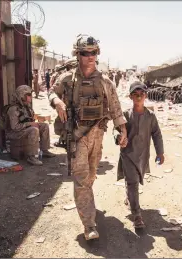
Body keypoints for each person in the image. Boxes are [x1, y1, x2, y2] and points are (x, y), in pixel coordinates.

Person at [48, 34, 128, 240]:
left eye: (93, 52)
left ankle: (88, 205)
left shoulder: (105, 82)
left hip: (98, 134)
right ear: (78, 55)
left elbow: (116, 107)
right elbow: (51, 92)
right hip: (77, 135)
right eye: (85, 53)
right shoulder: (67, 80)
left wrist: (122, 130)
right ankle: (89, 224)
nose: (90, 56)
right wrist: (57, 102)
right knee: (82, 179)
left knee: (91, 175)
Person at [116, 81, 164, 229]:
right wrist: (118, 137)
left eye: (141, 94)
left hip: (142, 156)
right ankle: (137, 215)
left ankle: (130, 198)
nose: (138, 97)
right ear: (130, 96)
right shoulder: (125, 115)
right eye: (135, 95)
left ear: (145, 96)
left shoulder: (150, 116)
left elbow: (157, 135)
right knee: (133, 182)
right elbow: (116, 130)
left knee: (134, 181)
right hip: (128, 155)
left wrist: (160, 152)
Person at [5, 85, 55, 165]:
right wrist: (30, 124)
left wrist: (38, 120)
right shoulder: (13, 109)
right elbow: (15, 127)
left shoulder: (26, 107)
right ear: (22, 96)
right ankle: (31, 157)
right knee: (34, 130)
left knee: (44, 126)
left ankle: (45, 150)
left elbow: (30, 118)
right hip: (14, 133)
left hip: (23, 129)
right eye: (28, 95)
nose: (30, 97)